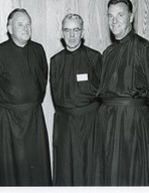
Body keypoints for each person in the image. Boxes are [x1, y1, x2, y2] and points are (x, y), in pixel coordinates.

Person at [96, 0, 149, 186]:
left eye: (120, 15)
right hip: (108, 127)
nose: (114, 21)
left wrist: (143, 125)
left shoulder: (146, 49)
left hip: (133, 127)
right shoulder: (108, 53)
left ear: (131, 17)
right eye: (110, 16)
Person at [0, 8, 52, 186]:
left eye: (28, 24)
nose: (25, 28)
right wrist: (10, 102)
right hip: (7, 120)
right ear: (9, 28)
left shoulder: (38, 50)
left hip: (33, 117)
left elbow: (42, 80)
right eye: (20, 24)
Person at [50, 14, 102, 186]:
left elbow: (102, 93)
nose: (71, 35)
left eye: (76, 30)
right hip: (65, 125)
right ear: (62, 33)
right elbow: (56, 96)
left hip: (90, 125)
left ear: (82, 32)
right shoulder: (55, 61)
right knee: (66, 169)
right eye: (67, 30)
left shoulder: (95, 57)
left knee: (89, 169)